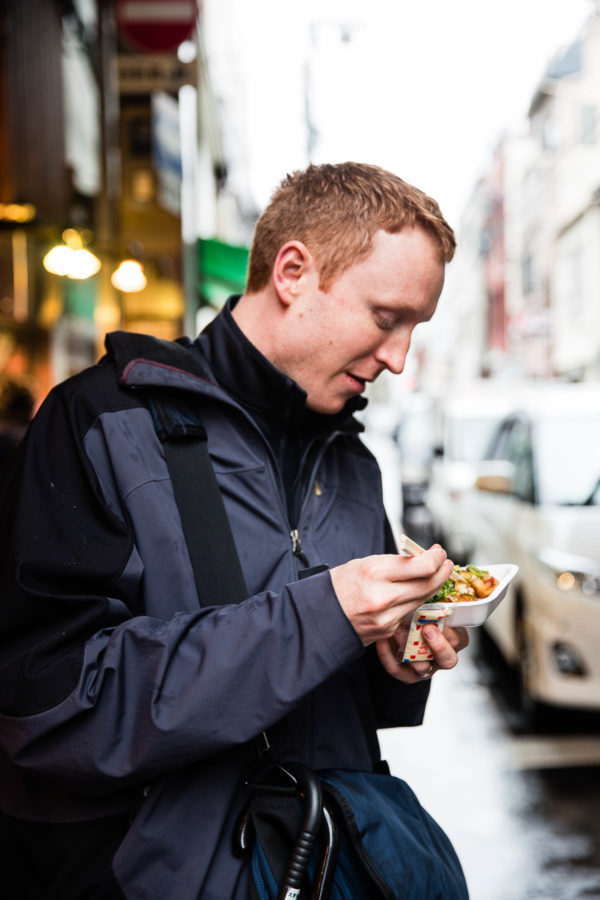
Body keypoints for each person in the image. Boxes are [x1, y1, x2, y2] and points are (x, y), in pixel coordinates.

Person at [0, 162, 467, 899]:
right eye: (386, 318)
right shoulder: (97, 424)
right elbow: (48, 713)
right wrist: (326, 614)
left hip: (321, 867)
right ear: (292, 272)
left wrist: (399, 658)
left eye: (415, 328)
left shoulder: (352, 465)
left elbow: (347, 711)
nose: (400, 359)